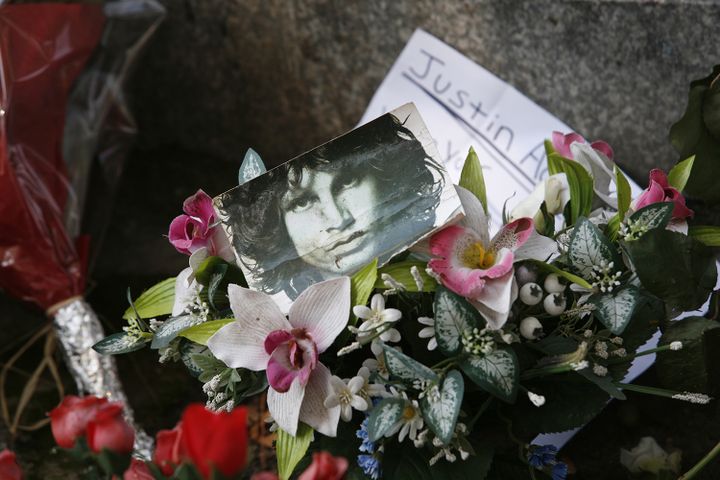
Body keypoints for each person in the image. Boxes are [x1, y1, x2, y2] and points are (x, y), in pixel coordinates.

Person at [217, 111, 446, 300]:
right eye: (302, 202)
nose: (338, 219)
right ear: (275, 228)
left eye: (347, 182)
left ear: (386, 175)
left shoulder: (445, 265)